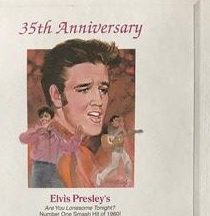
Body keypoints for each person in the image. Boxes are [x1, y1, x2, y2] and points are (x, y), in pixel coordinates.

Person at [40, 39, 120, 187]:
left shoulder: (85, 157)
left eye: (103, 90)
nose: (99, 101)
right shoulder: (41, 152)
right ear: (56, 95)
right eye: (84, 89)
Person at [19, 106, 82, 187]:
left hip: (52, 169)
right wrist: (40, 129)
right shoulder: (37, 132)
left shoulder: (57, 134)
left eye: (46, 116)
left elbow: (69, 147)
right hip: (38, 169)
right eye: (41, 116)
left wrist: (77, 137)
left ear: (51, 119)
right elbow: (23, 139)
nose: (43, 118)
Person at [96, 115, 139, 187]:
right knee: (114, 165)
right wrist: (121, 130)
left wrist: (136, 131)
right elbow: (113, 138)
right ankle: (100, 176)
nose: (118, 122)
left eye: (118, 120)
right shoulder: (111, 129)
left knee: (128, 162)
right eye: (116, 120)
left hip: (121, 149)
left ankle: (128, 180)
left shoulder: (119, 128)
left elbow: (125, 134)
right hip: (116, 150)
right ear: (112, 122)